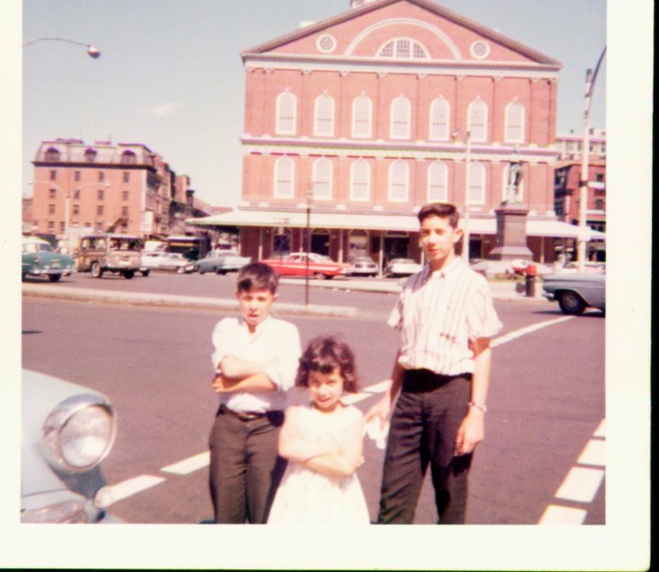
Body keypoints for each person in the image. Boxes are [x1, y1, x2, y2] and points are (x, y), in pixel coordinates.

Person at [366, 202, 502, 524]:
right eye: (426, 232)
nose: (432, 239)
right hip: (411, 397)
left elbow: (482, 351)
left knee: (450, 494)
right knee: (393, 498)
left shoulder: (472, 285)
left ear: (457, 233)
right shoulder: (411, 285)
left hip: (451, 394)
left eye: (440, 232)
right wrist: (388, 397)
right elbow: (404, 349)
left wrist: (476, 412)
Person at [209, 262, 301, 524]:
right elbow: (227, 365)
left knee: (266, 510)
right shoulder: (226, 327)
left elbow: (283, 380)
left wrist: (234, 385)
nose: (254, 306)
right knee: (227, 512)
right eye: (248, 298)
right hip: (229, 425)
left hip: (268, 428)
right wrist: (270, 369)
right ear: (238, 296)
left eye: (261, 299)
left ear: (274, 298)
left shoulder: (286, 332)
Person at [267, 334, 370, 524]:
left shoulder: (352, 418)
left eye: (331, 382)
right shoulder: (297, 412)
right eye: (315, 382)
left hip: (338, 498)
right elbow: (286, 448)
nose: (322, 391)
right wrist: (333, 447)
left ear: (344, 379)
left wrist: (301, 453)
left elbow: (345, 466)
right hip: (298, 497)